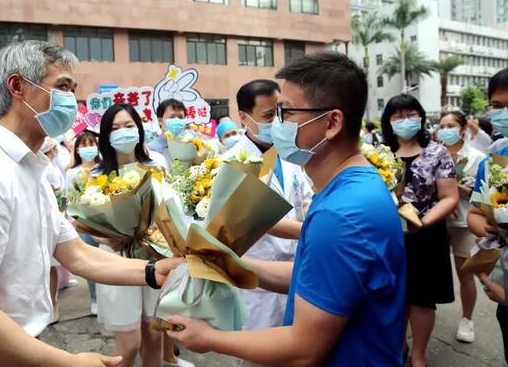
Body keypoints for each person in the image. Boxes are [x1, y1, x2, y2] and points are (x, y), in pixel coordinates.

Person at [0, 41, 178, 367]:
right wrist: (67, 362)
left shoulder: (29, 170)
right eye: (62, 86)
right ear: (18, 86)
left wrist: (153, 271)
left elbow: (76, 254)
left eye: (73, 88)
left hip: (13, 347)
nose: (71, 100)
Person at [167, 52, 406, 366]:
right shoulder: (350, 187)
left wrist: (209, 338)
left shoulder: (340, 215)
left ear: (332, 122)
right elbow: (313, 276)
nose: (277, 124)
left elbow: (304, 349)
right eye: (274, 113)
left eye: (286, 112)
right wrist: (228, 265)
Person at [222, 79, 313, 339]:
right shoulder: (233, 162)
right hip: (260, 274)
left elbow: (304, 196)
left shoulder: (289, 154)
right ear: (243, 116)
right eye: (269, 115)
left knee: (297, 345)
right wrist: (311, 229)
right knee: (260, 353)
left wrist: (311, 216)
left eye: (281, 112)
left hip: (296, 267)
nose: (277, 121)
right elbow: (259, 220)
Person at [381, 94, 458, 367]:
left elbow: (449, 197)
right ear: (388, 121)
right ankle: (398, 346)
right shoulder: (379, 153)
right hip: (389, 236)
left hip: (427, 234)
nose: (405, 120)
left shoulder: (438, 152)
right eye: (397, 115)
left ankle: (418, 355)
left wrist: (423, 223)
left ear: (421, 117)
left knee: (422, 299)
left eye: (410, 114)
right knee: (394, 294)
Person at [91, 103, 165, 367]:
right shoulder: (96, 175)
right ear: (106, 136)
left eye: (128, 126)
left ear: (139, 128)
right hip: (116, 262)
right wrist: (109, 237)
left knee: (154, 335)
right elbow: (85, 222)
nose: (123, 133)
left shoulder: (156, 165)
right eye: (115, 128)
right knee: (129, 344)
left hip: (154, 258)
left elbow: (169, 211)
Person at [468, 68, 508, 364]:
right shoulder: (498, 161)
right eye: (497, 106)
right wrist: (488, 228)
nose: (502, 112)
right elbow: (476, 214)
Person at [437, 111, 485, 343]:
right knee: (432, 269)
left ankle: (467, 319)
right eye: (442, 125)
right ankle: (427, 308)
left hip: (465, 222)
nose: (446, 129)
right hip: (436, 221)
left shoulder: (476, 157)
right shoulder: (434, 153)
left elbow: (486, 194)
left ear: (463, 127)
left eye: (451, 125)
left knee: (465, 274)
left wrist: (463, 190)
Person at [65, 130, 101, 315]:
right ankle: (94, 298)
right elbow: (69, 200)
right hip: (83, 225)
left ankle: (107, 298)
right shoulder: (72, 173)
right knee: (91, 264)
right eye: (84, 145)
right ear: (77, 149)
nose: (88, 148)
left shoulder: (103, 170)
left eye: (91, 144)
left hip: (104, 225)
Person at [148, 99, 187, 166]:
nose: (177, 120)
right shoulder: (151, 148)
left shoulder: (189, 144)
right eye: (172, 117)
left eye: (180, 117)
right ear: (160, 120)